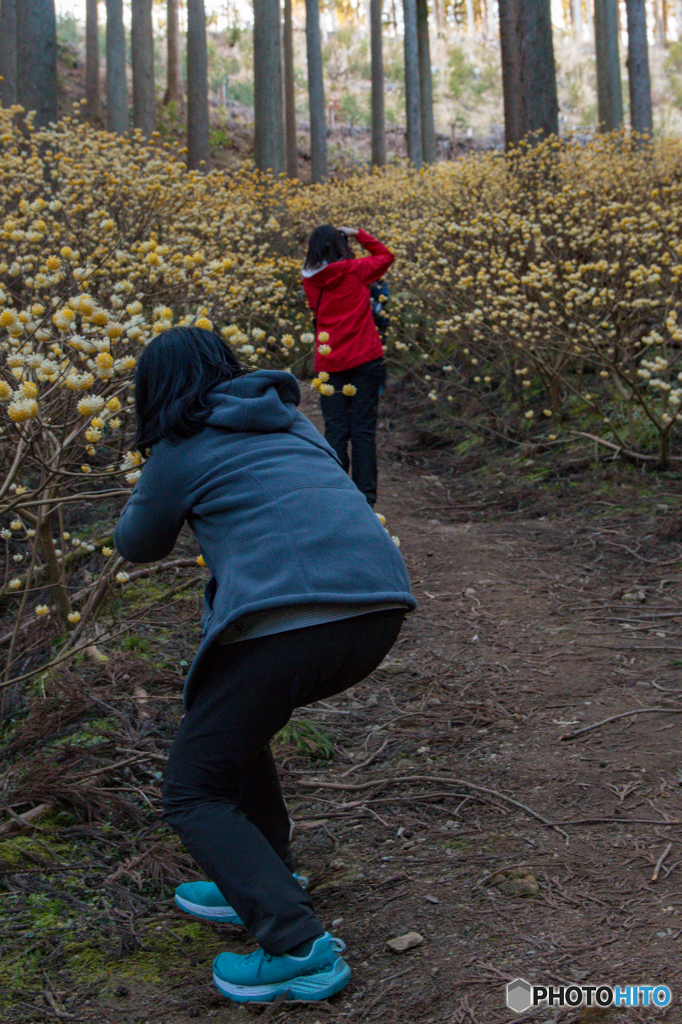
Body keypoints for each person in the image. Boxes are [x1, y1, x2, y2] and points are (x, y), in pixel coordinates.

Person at [113, 327, 416, 1004]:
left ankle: (298, 946)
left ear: (153, 392)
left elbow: (137, 543)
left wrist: (147, 482)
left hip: (289, 623)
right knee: (227, 729)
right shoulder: (290, 419)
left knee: (191, 788)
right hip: (376, 608)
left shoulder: (180, 446)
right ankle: (263, 879)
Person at [302, 225, 394, 508]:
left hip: (330, 362)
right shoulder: (355, 270)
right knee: (363, 432)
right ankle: (366, 499)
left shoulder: (309, 280)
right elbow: (386, 256)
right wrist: (358, 234)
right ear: (341, 247)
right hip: (365, 358)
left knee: (336, 431)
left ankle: (337, 497)